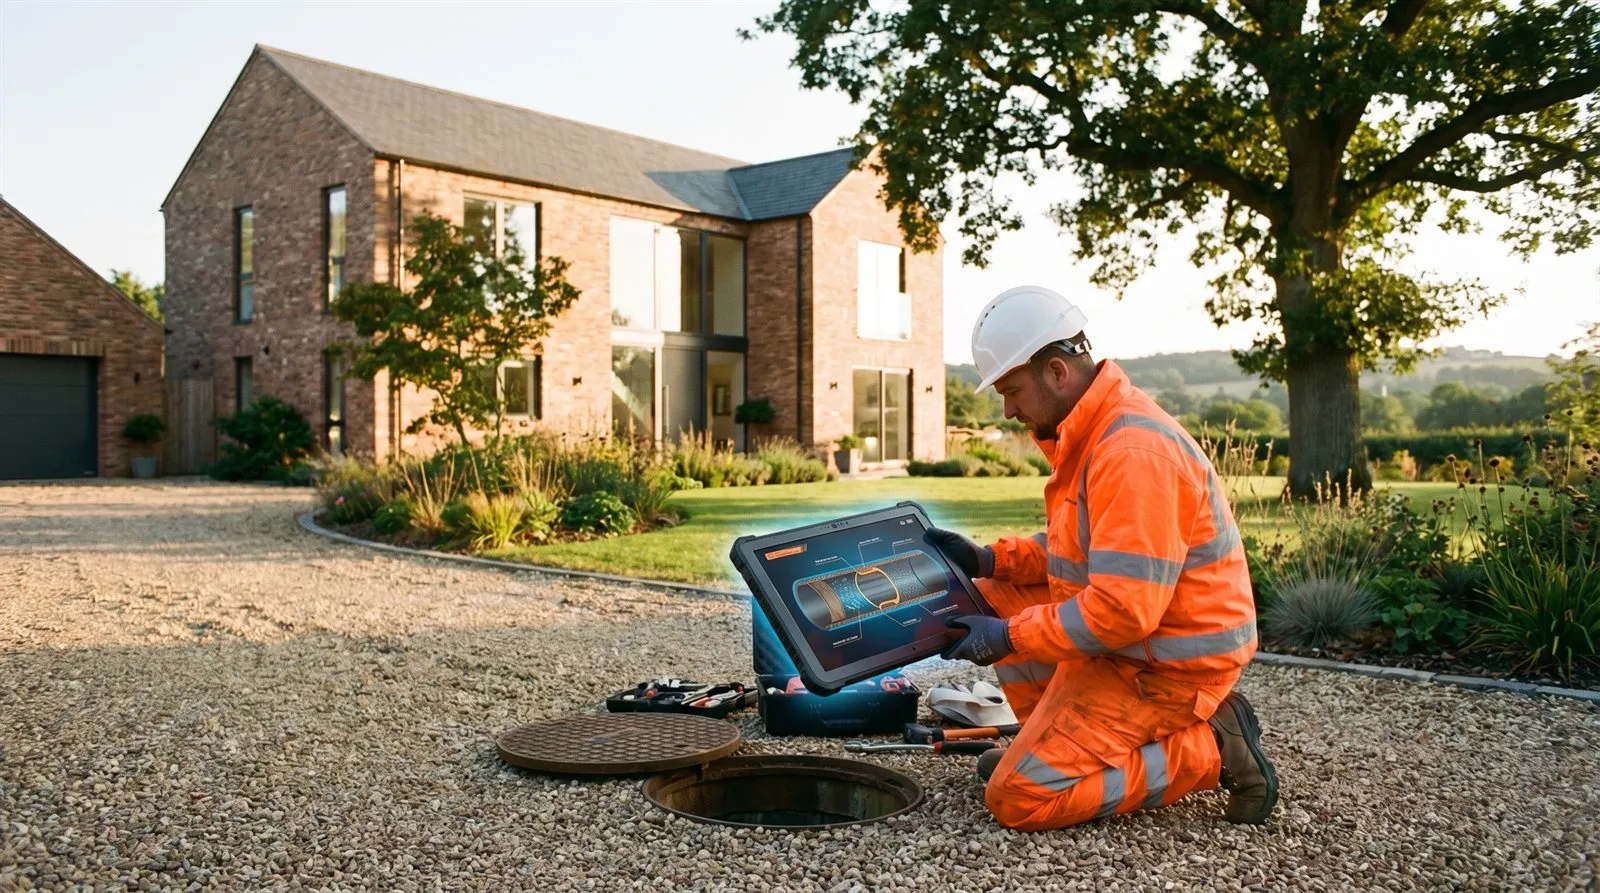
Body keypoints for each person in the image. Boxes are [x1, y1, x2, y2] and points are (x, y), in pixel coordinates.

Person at [928, 285, 1278, 831]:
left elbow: (1121, 610)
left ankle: (1212, 745)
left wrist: (1010, 638)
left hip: (1164, 667)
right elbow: (1082, 555)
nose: (1009, 408)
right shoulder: (1095, 434)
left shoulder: (1131, 452)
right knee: (990, 596)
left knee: (1018, 800)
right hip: (1135, 648)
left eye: (1012, 390)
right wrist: (988, 560)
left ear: (1057, 373)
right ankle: (1051, 748)